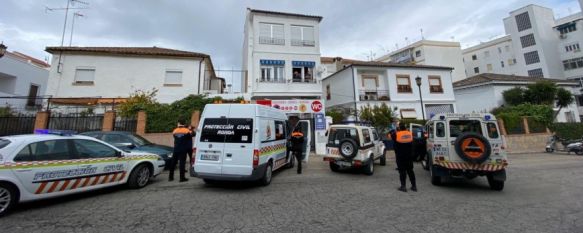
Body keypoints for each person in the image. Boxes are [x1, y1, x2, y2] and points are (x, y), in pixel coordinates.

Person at [391, 123, 417, 192]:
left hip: (400, 156)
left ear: (399, 128)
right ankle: (414, 186)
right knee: (410, 171)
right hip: (409, 156)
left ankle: (403, 186)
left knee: (402, 171)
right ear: (405, 128)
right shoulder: (410, 133)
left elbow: (391, 135)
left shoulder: (396, 134)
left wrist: (395, 129)